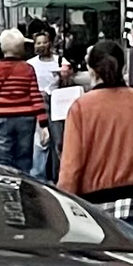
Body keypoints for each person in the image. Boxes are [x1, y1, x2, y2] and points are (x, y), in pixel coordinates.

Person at [58, 41, 133, 230]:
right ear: (123, 67)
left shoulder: (81, 107)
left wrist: (64, 205)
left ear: (91, 70)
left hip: (95, 202)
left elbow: (72, 165)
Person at [0, 29, 47, 176]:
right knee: (24, 159)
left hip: (1, 117)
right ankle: (23, 188)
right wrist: (43, 123)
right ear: (21, 48)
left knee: (3, 160)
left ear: (2, 48)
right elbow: (35, 96)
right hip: (26, 119)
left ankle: (7, 191)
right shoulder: (27, 69)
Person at [39, 54, 86, 183]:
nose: (64, 72)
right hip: (57, 110)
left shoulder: (77, 83)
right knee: (58, 143)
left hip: (69, 110)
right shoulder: (52, 87)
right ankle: (57, 175)